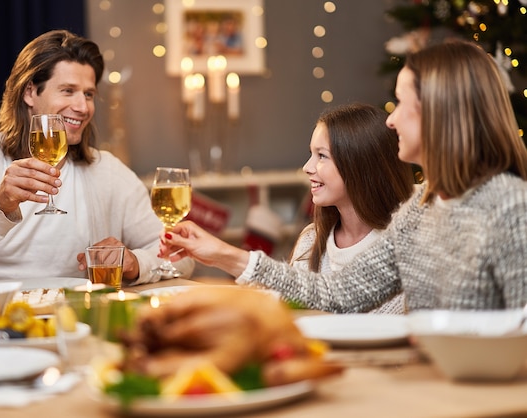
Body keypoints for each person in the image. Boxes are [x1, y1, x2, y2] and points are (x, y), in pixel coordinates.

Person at [160, 39, 527, 312]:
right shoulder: (420, 208)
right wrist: (224, 255)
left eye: (402, 104)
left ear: (439, 114)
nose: (391, 119)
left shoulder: (509, 205)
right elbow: (335, 293)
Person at [0, 30, 193, 287]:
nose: (82, 107)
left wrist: (134, 262)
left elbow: (180, 256)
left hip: (78, 322)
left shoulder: (107, 172)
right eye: (68, 91)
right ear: (30, 92)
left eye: (89, 94)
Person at [288, 103, 414, 314]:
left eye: (321, 156)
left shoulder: (407, 251)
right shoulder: (311, 242)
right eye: (312, 154)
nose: (307, 167)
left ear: (359, 163)